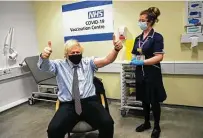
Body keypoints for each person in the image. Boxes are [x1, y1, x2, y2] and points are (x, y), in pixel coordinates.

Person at [37, 36, 123, 138]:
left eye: (78, 52)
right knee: (53, 129)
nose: (75, 55)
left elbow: (107, 59)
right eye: (72, 53)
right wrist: (44, 57)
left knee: (107, 123)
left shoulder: (88, 63)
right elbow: (44, 67)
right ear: (66, 54)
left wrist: (116, 49)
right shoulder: (59, 65)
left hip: (89, 102)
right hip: (68, 104)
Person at [130, 7, 167, 138]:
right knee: (144, 100)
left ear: (150, 21)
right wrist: (134, 59)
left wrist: (143, 62)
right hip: (140, 73)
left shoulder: (156, 37)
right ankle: (146, 123)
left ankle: (156, 126)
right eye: (139, 20)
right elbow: (135, 52)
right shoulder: (137, 38)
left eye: (142, 20)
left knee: (154, 100)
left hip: (152, 73)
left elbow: (159, 56)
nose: (140, 22)